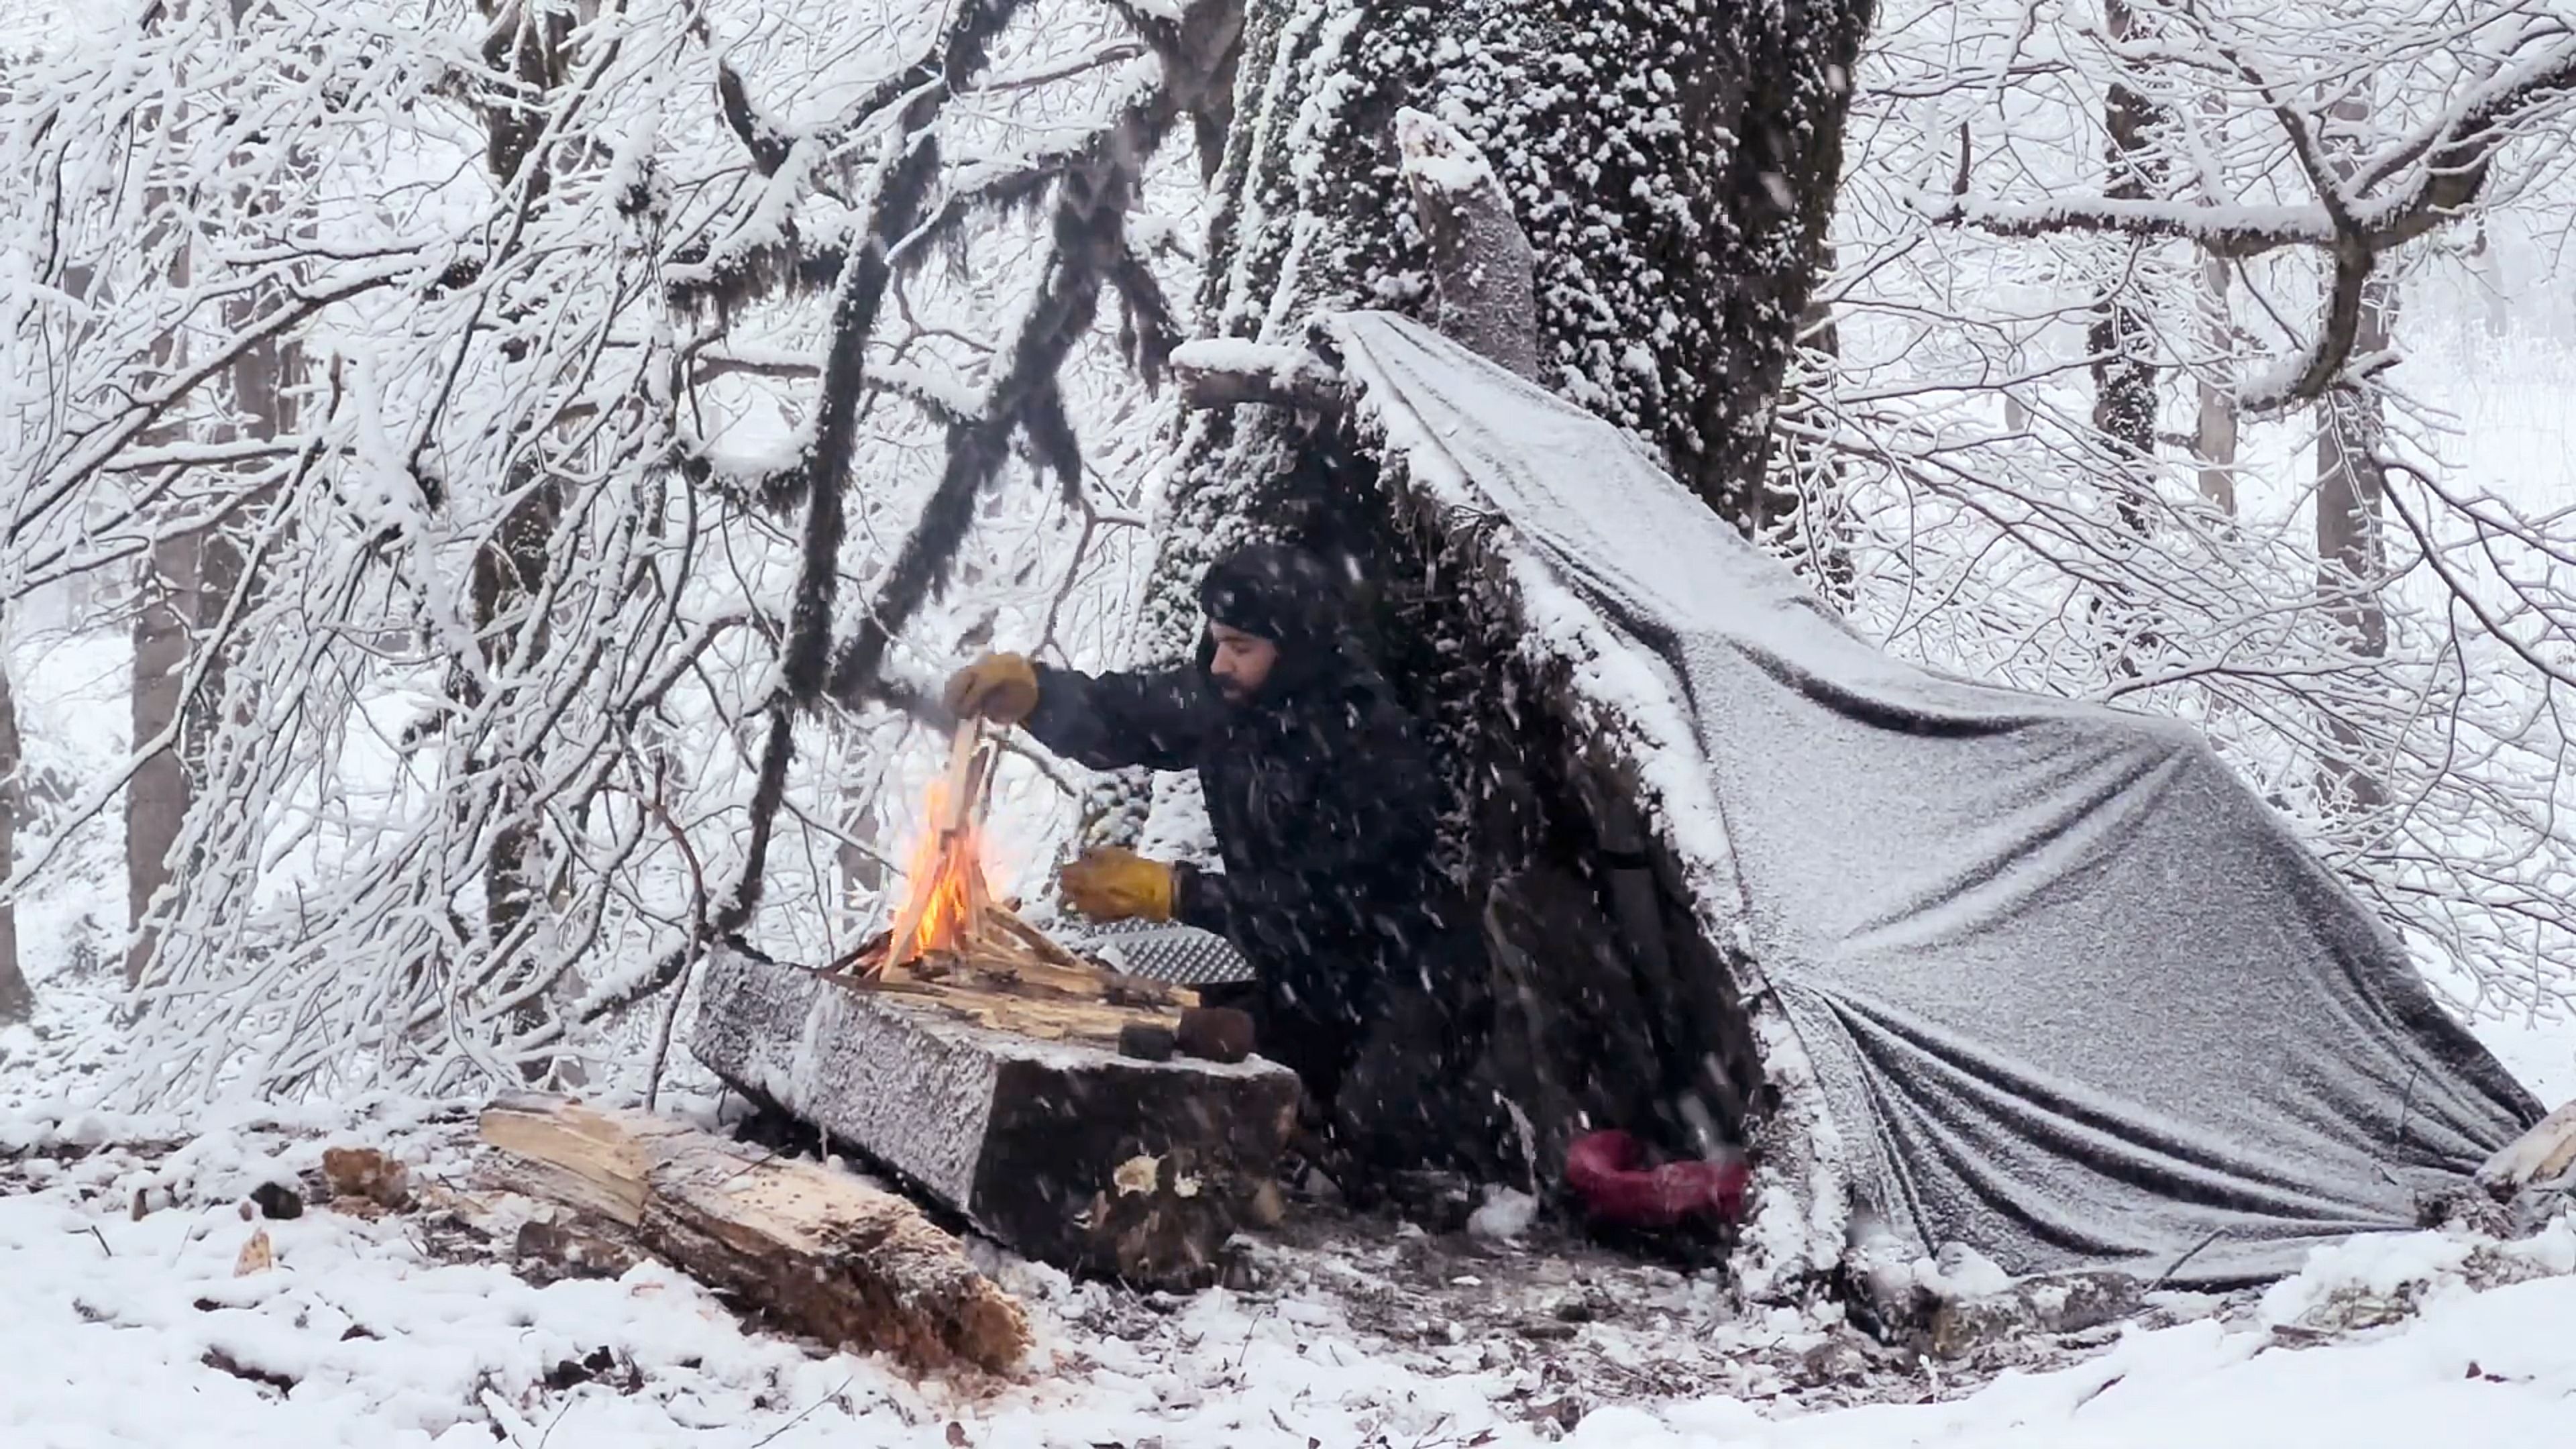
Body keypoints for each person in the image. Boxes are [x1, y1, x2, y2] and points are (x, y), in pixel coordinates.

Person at [943, 544, 1487, 1196]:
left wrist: (1173, 891)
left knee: (1377, 1141)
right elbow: (1136, 712)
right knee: (1194, 1065)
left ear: (1294, 648)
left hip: (1399, 985)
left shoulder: (1368, 743)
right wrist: (1037, 694)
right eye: (1215, 641)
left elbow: (1324, 906)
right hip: (1302, 977)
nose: (1219, 662)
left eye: (1241, 646)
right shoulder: (1233, 700)